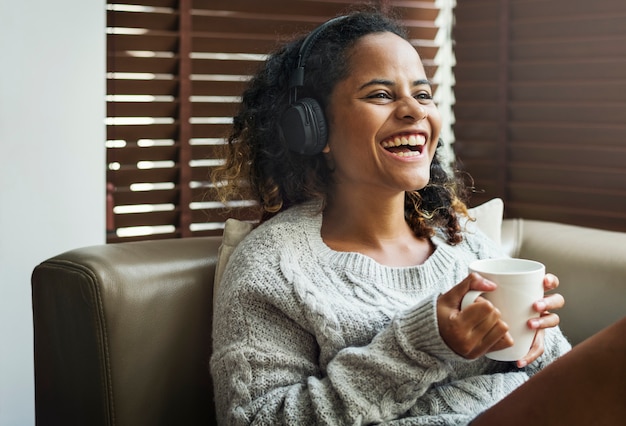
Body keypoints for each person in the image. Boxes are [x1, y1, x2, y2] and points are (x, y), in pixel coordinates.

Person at [210, 9, 626, 425]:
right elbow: (256, 419)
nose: (415, 111)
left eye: (423, 94)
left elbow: (552, 382)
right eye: (380, 94)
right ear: (313, 128)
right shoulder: (273, 268)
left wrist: (535, 336)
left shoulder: (463, 243)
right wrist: (425, 342)